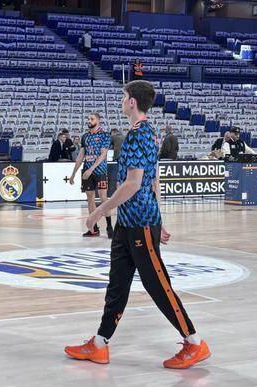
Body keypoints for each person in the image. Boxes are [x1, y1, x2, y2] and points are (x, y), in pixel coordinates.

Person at [64, 80, 211, 370]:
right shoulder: (141, 133)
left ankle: (194, 342)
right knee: (117, 284)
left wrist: (98, 213)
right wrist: (162, 218)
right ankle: (100, 343)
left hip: (141, 221)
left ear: (132, 102)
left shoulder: (140, 135)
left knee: (157, 285)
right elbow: (153, 179)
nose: (121, 100)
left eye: (123, 96)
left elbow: (133, 184)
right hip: (129, 223)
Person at [69, 112, 114, 238]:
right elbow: (81, 156)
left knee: (104, 199)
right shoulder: (85, 137)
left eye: (91, 119)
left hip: (100, 171)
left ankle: (110, 227)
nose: (89, 120)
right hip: (87, 171)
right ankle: (94, 228)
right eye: (88, 118)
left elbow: (103, 154)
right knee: (90, 199)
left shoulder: (105, 135)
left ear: (98, 121)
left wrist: (92, 169)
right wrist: (73, 173)